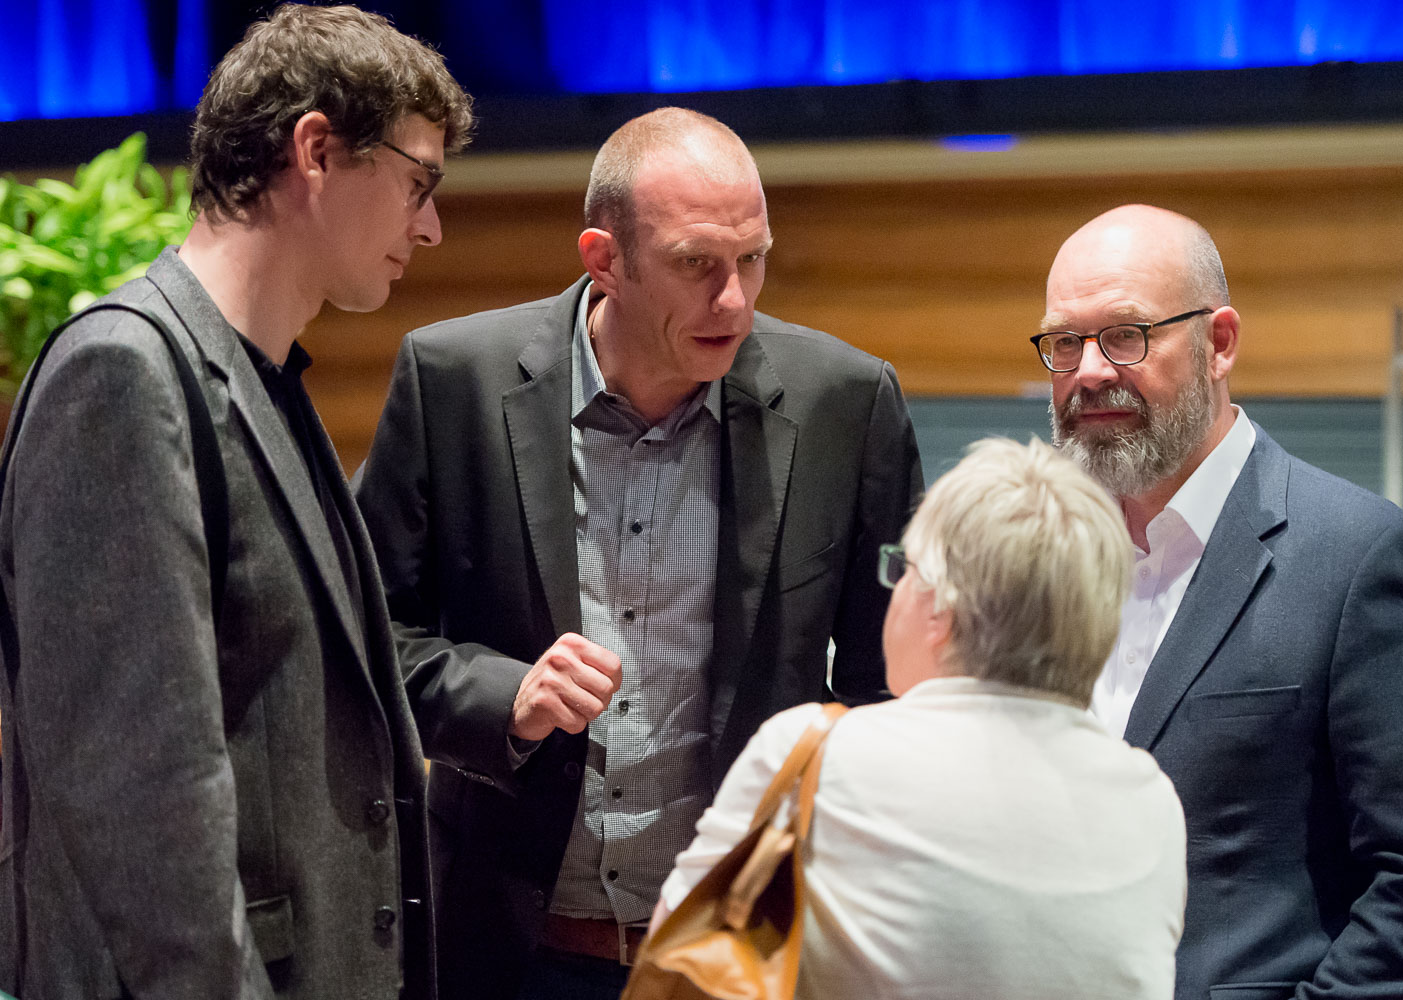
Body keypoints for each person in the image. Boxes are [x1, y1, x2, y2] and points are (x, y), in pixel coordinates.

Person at [354, 106, 923, 999]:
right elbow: (364, 644)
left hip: (743, 955)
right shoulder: (452, 380)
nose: (733, 300)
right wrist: (504, 697)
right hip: (508, 947)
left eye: (752, 259)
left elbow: (895, 684)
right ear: (604, 259)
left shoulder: (845, 403)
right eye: (696, 263)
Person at [0, 6, 473, 998]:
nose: (430, 227)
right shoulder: (121, 374)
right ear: (317, 149)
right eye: (418, 182)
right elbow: (142, 799)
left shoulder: (264, 378)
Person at [1036, 203, 1403, 1000]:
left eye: (1125, 335)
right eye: (1065, 342)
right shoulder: (1041, 557)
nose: (1089, 371)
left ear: (1219, 343)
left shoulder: (1363, 559)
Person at [655, 436, 1188, 999]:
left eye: (903, 568)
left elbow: (677, 950)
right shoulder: (1151, 800)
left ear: (941, 608)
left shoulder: (814, 758)